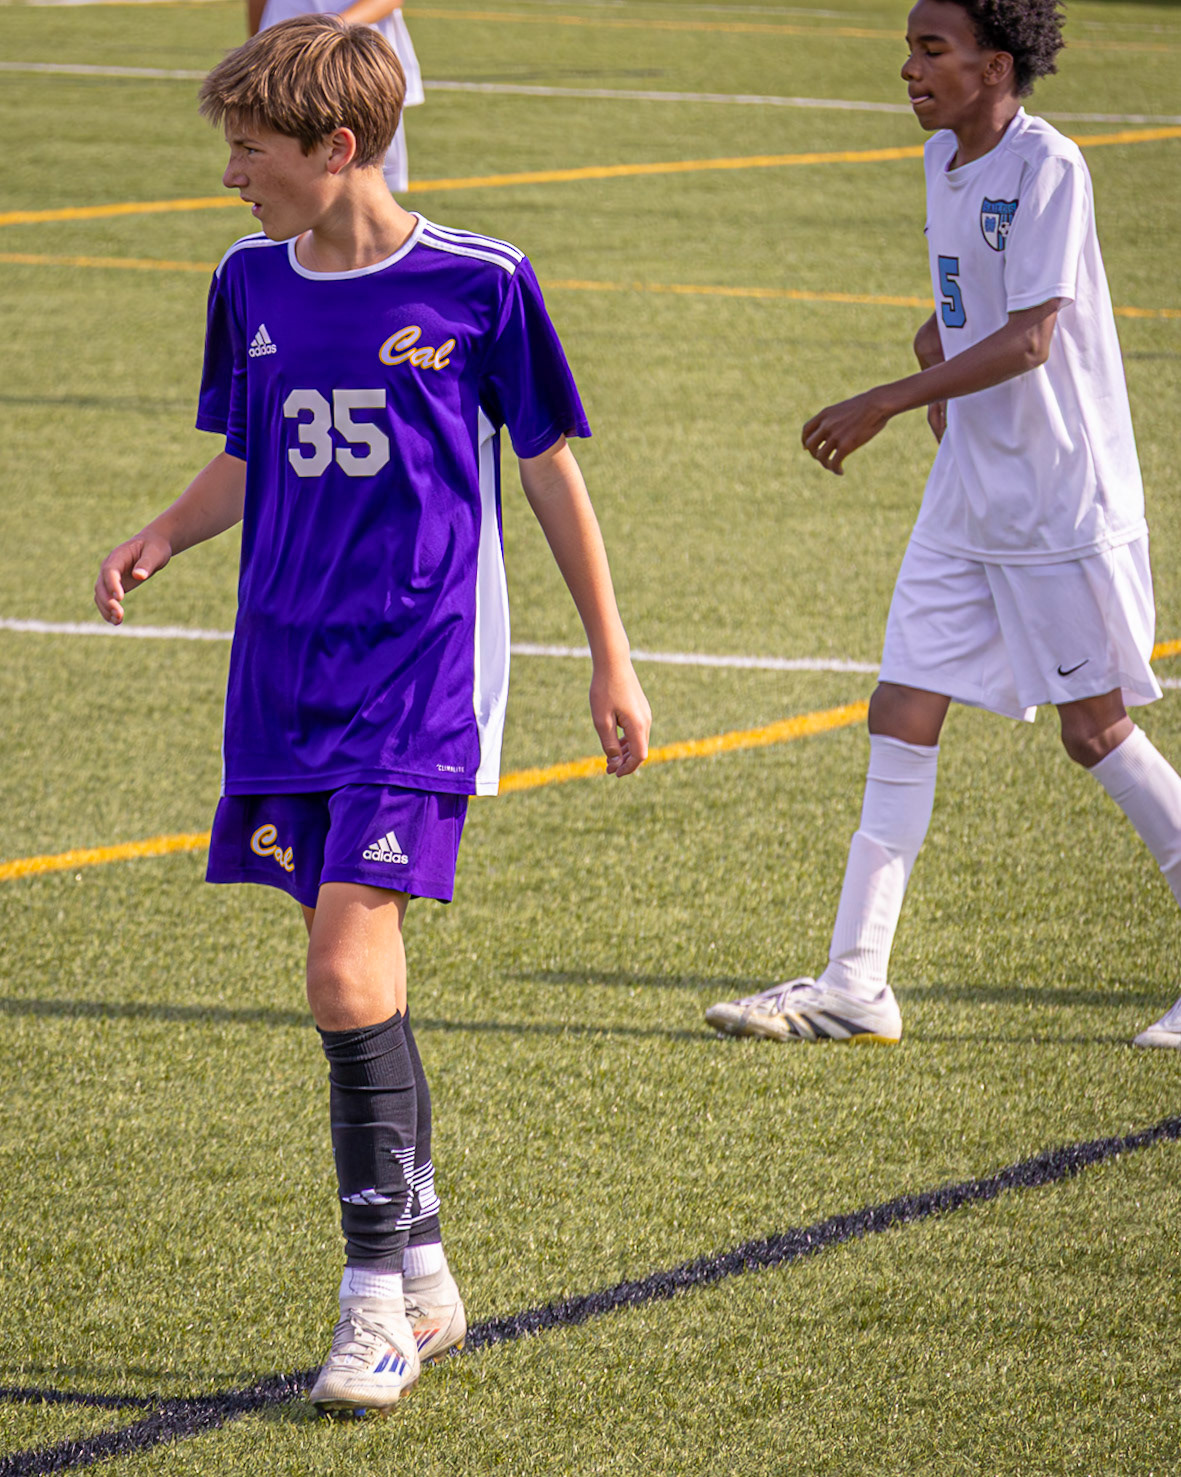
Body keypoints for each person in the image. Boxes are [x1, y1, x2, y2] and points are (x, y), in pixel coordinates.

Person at [95, 14, 651, 1416]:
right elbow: (246, 451)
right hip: (283, 671)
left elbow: (549, 473)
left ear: (339, 149)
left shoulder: (481, 283)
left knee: (345, 977)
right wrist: (165, 532)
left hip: (420, 674)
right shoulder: (247, 282)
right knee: (362, 985)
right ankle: (422, 1264)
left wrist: (610, 654)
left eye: (251, 149)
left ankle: (368, 1313)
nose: (232, 174)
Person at [705, 0, 1181, 1052]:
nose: (910, 67)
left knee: (1091, 731)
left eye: (933, 49)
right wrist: (929, 356)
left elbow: (1030, 338)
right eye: (909, 47)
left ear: (994, 64)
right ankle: (853, 982)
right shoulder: (939, 160)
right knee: (901, 704)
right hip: (968, 491)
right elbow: (965, 308)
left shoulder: (1048, 165)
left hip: (1054, 497)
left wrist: (880, 397)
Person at [248, 0, 423, 192]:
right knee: (281, 183)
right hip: (282, 59)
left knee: (361, 186)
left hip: (356, 66)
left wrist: (326, 35)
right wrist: (256, 53)